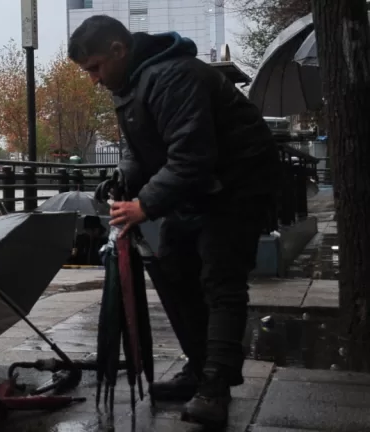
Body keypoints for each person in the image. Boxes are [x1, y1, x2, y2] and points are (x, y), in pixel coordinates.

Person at [69, 16, 281, 427]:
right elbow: (140, 150)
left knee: (221, 279)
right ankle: (200, 368)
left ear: (119, 50)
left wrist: (143, 205)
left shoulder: (172, 76)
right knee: (174, 267)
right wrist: (125, 179)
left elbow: (191, 156)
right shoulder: (130, 85)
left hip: (237, 183)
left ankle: (214, 389)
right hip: (198, 186)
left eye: (95, 67)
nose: (93, 79)